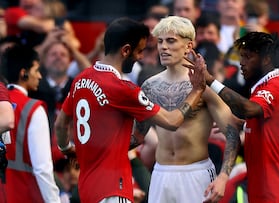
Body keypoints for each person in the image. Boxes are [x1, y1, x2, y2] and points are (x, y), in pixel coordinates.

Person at [55, 17, 207, 203]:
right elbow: (172, 121)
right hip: (113, 189)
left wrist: (67, 148)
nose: (141, 57)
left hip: (87, 189)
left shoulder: (81, 79)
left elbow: (60, 124)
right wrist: (197, 90)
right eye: (139, 51)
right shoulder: (122, 89)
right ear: (126, 50)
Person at [191, 31, 279, 202]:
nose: (241, 63)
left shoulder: (275, 86)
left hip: (275, 188)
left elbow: (248, 109)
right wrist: (244, 125)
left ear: (266, 60)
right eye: (241, 57)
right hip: (266, 184)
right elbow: (271, 128)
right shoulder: (271, 86)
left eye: (248, 57)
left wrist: (210, 80)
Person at [142, 15, 242, 203]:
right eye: (160, 41)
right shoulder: (149, 86)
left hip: (195, 173)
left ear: (189, 46)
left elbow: (232, 132)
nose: (163, 47)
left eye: (171, 41)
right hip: (160, 173)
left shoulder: (205, 86)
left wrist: (223, 177)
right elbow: (136, 137)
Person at [0, 45, 61, 202]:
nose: (40, 76)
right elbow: (43, 168)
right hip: (25, 194)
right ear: (23, 73)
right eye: (36, 70)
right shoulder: (33, 109)